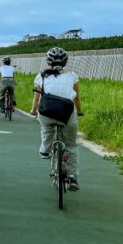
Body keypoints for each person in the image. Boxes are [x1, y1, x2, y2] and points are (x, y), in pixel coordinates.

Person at [29, 47, 84, 191]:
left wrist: (33, 111)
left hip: (47, 112)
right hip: (67, 114)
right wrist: (79, 112)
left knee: (46, 129)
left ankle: (45, 150)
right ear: (65, 62)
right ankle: (72, 178)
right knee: (70, 145)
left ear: (48, 62)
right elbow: (76, 98)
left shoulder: (40, 76)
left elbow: (36, 99)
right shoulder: (73, 76)